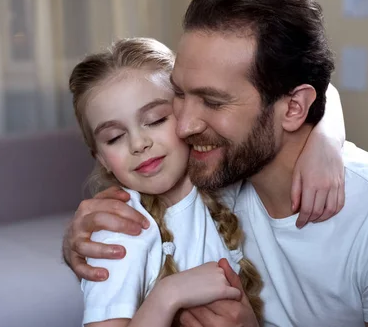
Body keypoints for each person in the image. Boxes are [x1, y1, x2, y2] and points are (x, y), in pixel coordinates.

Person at [64, 0, 368, 326]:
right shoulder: (213, 177)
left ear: (294, 108)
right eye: (180, 95)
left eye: (213, 101)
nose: (183, 126)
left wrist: (327, 133)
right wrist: (80, 242)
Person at [69, 35, 346, 327]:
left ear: (188, 111)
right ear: (100, 157)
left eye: (155, 120)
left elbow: (310, 92)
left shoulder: (228, 177)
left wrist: (325, 140)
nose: (138, 143)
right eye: (114, 137)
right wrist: (168, 294)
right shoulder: (120, 234)